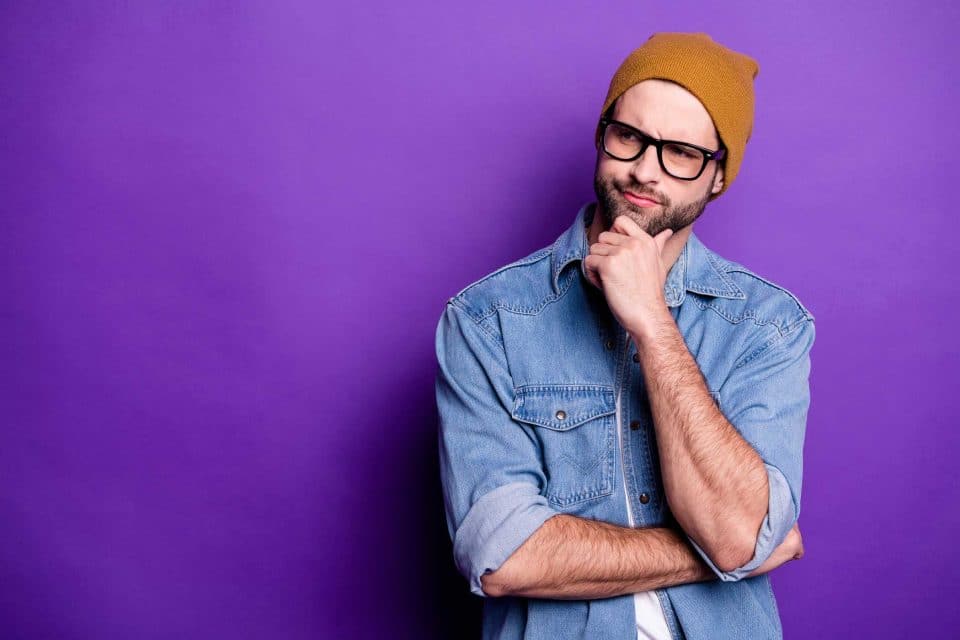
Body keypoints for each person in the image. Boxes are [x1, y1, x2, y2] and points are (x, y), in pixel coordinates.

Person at [434, 32, 815, 640]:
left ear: (719, 177)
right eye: (629, 137)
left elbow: (742, 533)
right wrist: (718, 556)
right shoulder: (486, 320)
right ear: (602, 133)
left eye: (682, 152)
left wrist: (652, 321)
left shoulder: (769, 326)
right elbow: (502, 553)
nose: (644, 170)